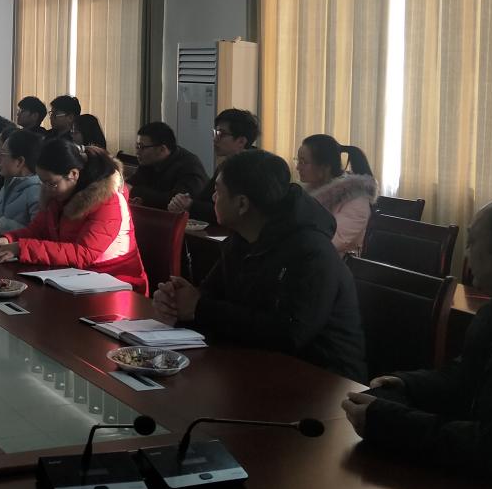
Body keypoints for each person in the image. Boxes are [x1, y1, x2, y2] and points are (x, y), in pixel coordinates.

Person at [342, 196, 492, 485]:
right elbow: (468, 377)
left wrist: (394, 427)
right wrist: (409, 385)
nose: (466, 253)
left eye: (472, 242)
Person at [155, 150, 366, 381]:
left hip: (323, 380)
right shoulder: (242, 238)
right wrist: (178, 303)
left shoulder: (311, 252)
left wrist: (199, 307)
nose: (213, 197)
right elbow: (210, 295)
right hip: (257, 364)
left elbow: (289, 334)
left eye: (218, 191)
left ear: (242, 204)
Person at [0, 139, 147, 293]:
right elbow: (37, 230)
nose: (46, 189)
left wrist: (21, 248)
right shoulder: (57, 194)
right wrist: (8, 239)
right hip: (74, 278)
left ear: (73, 174)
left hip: (117, 282)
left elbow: (84, 253)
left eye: (51, 183)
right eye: (42, 182)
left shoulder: (107, 200)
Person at [169, 109, 259, 222]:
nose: (215, 139)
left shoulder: (253, 169)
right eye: (215, 133)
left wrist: (191, 205)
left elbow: (232, 213)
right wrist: (183, 202)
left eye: (221, 134)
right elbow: (204, 199)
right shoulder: (226, 165)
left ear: (241, 141)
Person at [296, 134, 378, 256]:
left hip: (334, 263)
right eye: (298, 161)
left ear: (325, 167)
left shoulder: (357, 200)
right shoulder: (309, 190)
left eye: (303, 162)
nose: (297, 167)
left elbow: (331, 241)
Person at [128, 121, 209, 210]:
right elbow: (132, 183)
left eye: (142, 147)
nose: (137, 152)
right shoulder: (148, 162)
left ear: (162, 149)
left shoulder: (189, 166)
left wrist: (134, 191)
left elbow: (175, 202)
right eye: (137, 146)